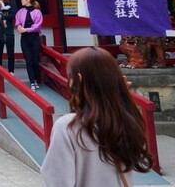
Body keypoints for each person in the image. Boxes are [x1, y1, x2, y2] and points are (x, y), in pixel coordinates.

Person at [41, 47, 153, 186]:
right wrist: (122, 99)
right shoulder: (127, 122)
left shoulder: (67, 126)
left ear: (78, 80)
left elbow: (57, 180)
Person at [15, 0, 43, 90]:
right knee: (28, 60)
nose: (21, 0)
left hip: (34, 37)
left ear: (28, 0)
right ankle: (32, 81)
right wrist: (19, 27)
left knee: (35, 60)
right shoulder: (20, 11)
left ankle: (35, 78)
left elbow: (38, 25)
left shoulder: (37, 12)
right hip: (25, 38)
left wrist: (27, 29)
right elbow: (17, 22)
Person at [0, 0, 17, 74]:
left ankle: (11, 70)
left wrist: (3, 16)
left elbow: (14, 15)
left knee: (10, 52)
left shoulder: (12, 4)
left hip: (9, 29)